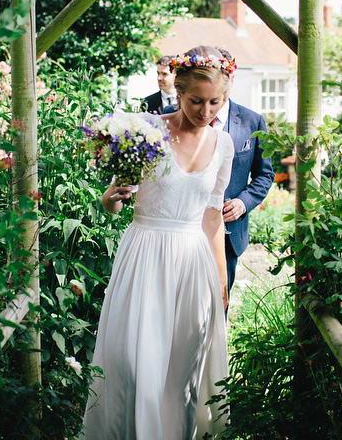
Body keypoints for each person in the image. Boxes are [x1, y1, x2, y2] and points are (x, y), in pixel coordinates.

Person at [80, 45, 235, 440]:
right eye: (196, 100)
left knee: (183, 368)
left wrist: (220, 281)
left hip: (192, 262)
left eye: (215, 102)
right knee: (133, 361)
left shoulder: (225, 145)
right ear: (178, 92)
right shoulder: (145, 132)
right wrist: (111, 199)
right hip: (145, 253)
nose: (206, 111)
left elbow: (212, 214)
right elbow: (114, 200)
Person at [209, 48, 274, 299]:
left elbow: (264, 174)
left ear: (232, 78)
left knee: (219, 303)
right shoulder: (186, 116)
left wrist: (243, 203)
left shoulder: (253, 121)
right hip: (186, 226)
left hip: (229, 231)